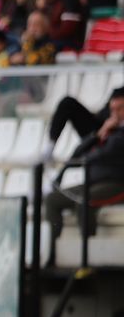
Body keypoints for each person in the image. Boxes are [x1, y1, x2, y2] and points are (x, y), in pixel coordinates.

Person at [45, 89, 124, 246]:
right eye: (112, 109)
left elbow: (98, 154)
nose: (115, 113)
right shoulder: (107, 129)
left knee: (83, 201)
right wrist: (98, 134)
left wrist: (102, 139)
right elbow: (78, 153)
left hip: (117, 183)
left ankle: (86, 254)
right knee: (52, 199)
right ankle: (52, 251)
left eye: (120, 108)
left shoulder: (119, 134)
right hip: (94, 182)